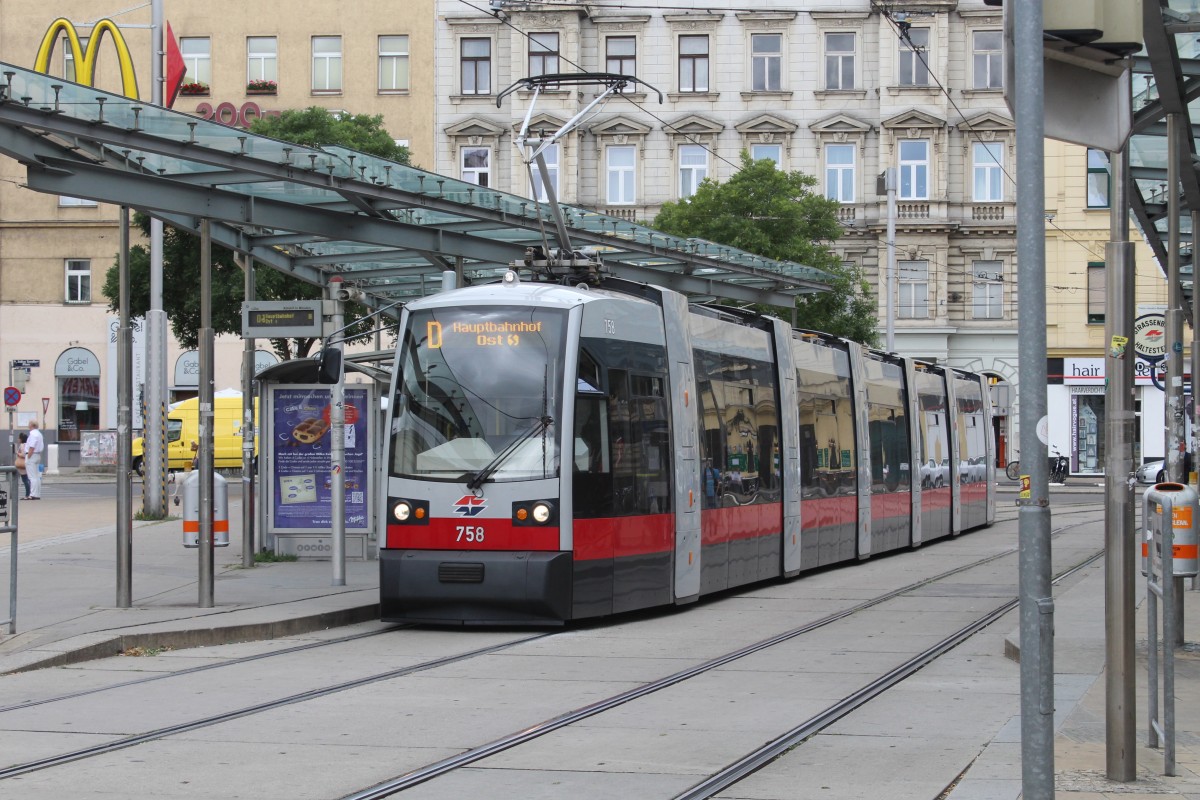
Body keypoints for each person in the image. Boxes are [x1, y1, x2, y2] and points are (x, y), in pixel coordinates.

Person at [24, 421, 44, 500]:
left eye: (29, 424)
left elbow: (32, 446)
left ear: (32, 425)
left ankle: (32, 494)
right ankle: (37, 494)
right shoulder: (39, 434)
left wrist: (28, 456)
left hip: (32, 455)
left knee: (32, 476)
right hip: (37, 455)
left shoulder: (32, 434)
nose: (28, 425)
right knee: (37, 476)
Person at [15, 432, 30, 499]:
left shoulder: (22, 445)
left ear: (21, 439)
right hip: (25, 464)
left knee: (25, 480)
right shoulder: (27, 444)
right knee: (26, 480)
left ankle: (27, 494)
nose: (18, 439)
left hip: (22, 465)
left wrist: (18, 454)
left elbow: (24, 454)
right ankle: (28, 494)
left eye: (19, 438)